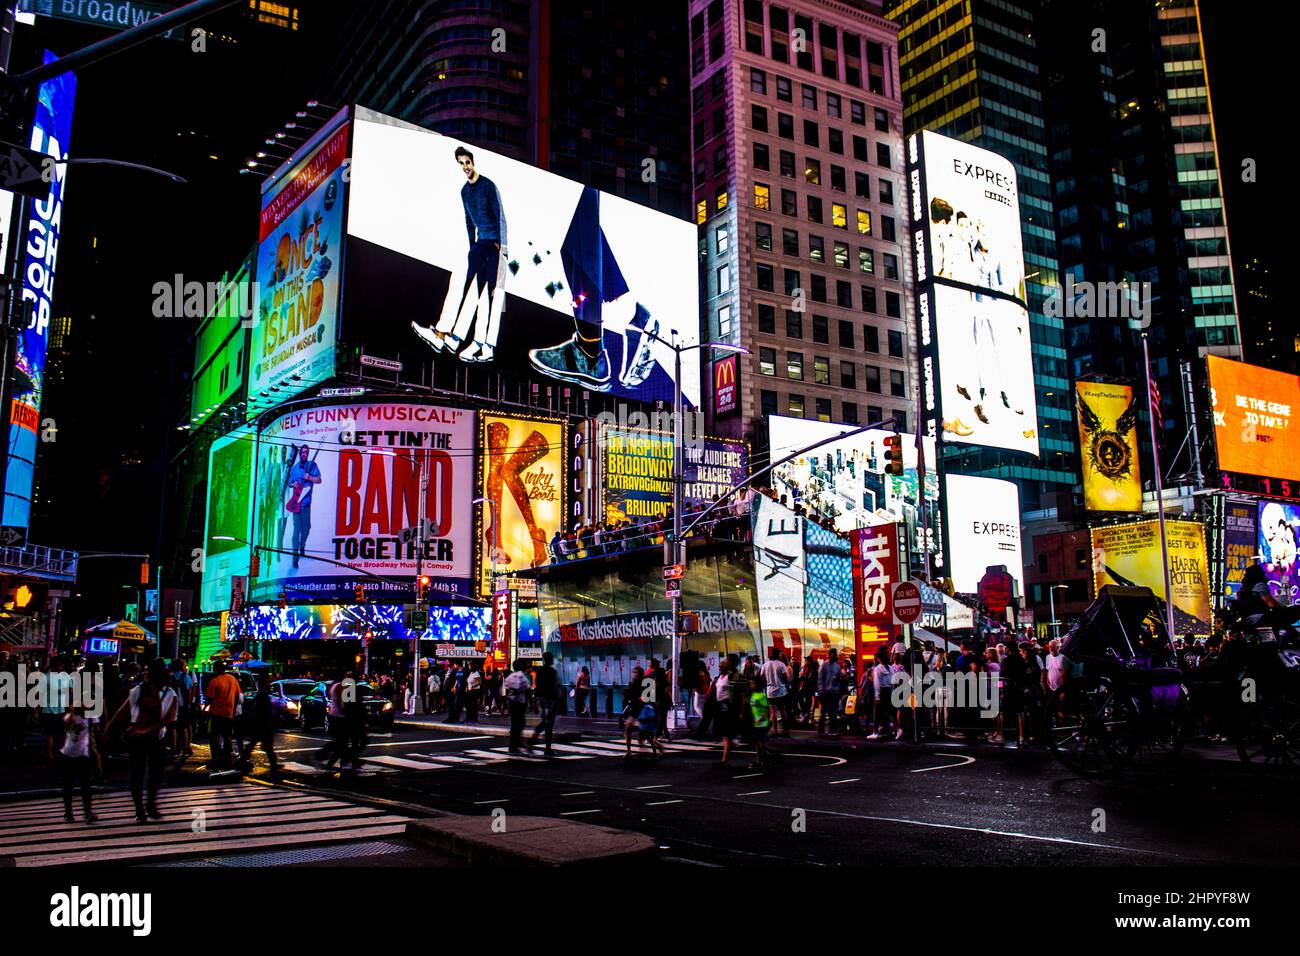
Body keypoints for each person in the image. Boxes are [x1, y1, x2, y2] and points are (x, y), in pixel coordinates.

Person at [415, 145, 508, 362]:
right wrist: (471, 246)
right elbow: (468, 221)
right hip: (480, 244)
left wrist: (503, 248)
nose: (465, 166)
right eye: (461, 163)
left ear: (473, 162)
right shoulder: (465, 191)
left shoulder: (488, 186)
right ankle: (449, 335)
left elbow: (501, 217)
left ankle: (481, 344)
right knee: (466, 287)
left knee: (490, 297)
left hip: (495, 245)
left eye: (467, 162)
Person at [109, 659, 178, 823]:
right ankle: (145, 806)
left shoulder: (153, 691)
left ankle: (143, 807)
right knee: (148, 774)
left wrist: (109, 729)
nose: (145, 673)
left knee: (144, 774)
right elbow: (169, 719)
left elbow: (122, 712)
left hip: (142, 737)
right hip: (150, 738)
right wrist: (108, 728)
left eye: (148, 670)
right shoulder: (164, 692)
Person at [284, 444, 322, 569]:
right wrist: (293, 484)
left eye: (306, 452)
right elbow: (289, 482)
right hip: (296, 504)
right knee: (296, 531)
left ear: (308, 453)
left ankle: (302, 546)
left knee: (306, 528)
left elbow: (319, 480)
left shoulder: (312, 465)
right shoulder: (295, 468)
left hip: (306, 504)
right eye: (302, 452)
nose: (304, 454)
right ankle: (295, 558)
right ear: (300, 454)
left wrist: (309, 477)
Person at [59, 702, 98, 824]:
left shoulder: (92, 716)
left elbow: (97, 729)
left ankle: (87, 812)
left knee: (85, 785)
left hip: (83, 754)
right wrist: (72, 712)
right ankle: (68, 813)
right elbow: (66, 726)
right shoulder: (70, 716)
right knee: (68, 785)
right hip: (68, 754)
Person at [205, 661, 242, 771]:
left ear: (216, 669)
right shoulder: (232, 679)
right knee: (227, 736)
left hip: (216, 713)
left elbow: (209, 699)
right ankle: (227, 759)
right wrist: (234, 709)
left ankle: (215, 759)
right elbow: (237, 696)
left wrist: (203, 710)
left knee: (214, 737)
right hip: (229, 713)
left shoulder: (214, 681)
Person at [241, 671, 280, 774]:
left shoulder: (261, 695)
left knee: (258, 744)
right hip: (262, 723)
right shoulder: (262, 695)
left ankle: (243, 760)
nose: (269, 684)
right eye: (268, 682)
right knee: (265, 745)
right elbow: (262, 710)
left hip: (259, 723)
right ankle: (273, 764)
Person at [530, 652, 561, 755]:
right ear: (549, 659)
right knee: (549, 723)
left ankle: (533, 741)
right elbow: (553, 685)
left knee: (544, 721)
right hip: (550, 698)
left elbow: (537, 684)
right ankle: (547, 748)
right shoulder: (552, 671)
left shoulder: (539, 670)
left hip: (541, 698)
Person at [761, 647, 791, 737]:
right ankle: (785, 731)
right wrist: (786, 685)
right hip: (781, 691)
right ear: (778, 654)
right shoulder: (781, 664)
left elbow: (762, 677)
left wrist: (768, 684)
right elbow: (785, 678)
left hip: (770, 692)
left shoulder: (765, 665)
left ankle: (775, 731)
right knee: (782, 711)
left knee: (773, 712)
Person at [503, 660, 532, 753]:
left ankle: (513, 746)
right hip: (519, 702)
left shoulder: (510, 676)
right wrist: (530, 703)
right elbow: (527, 688)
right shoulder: (521, 676)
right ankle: (517, 744)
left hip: (511, 702)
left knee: (514, 724)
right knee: (520, 723)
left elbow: (507, 685)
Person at [169, 658, 194, 760]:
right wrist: (189, 704)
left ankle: (174, 749)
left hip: (173, 707)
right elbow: (190, 692)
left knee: (173, 727)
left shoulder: (170, 678)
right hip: (184, 706)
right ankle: (185, 749)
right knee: (184, 727)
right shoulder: (187, 677)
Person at [816, 648, 844, 737]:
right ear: (829, 655)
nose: (834, 656)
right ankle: (821, 729)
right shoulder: (824, 665)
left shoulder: (837, 666)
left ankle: (831, 730)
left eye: (835, 654)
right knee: (824, 712)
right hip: (826, 692)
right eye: (832, 654)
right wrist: (821, 690)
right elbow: (820, 678)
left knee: (833, 712)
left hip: (834, 692)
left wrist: (838, 680)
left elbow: (840, 678)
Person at [748, 673, 772, 770]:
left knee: (760, 743)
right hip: (755, 723)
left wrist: (762, 719)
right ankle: (759, 760)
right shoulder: (753, 695)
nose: (751, 685)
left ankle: (764, 760)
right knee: (757, 743)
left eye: (752, 683)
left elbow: (767, 709)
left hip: (761, 724)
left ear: (757, 685)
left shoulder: (761, 696)